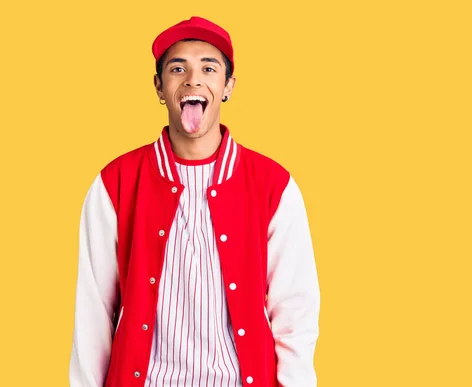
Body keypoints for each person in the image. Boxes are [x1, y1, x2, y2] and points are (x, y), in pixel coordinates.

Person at [69, 16, 320, 387]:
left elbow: (295, 312)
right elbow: (93, 314)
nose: (192, 79)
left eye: (208, 67)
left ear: (228, 85)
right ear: (158, 86)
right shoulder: (116, 182)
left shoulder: (272, 185)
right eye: (177, 68)